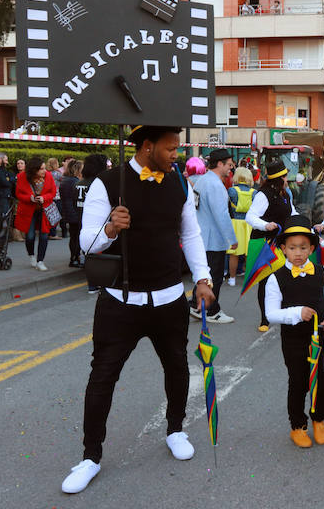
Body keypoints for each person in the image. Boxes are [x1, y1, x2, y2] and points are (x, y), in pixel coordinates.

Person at [61, 125, 216, 494]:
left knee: (177, 367)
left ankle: (175, 429)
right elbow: (87, 244)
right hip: (120, 302)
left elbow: (191, 234)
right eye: (170, 148)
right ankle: (90, 457)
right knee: (102, 377)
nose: (176, 154)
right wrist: (111, 228)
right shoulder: (107, 182)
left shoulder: (179, 182)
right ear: (147, 147)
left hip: (168, 300)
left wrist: (204, 278)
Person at [263, 215, 324, 449]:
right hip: (294, 339)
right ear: (283, 249)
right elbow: (271, 314)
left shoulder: (322, 272)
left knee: (323, 381)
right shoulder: (276, 279)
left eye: (303, 247)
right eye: (293, 248)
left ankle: (318, 418)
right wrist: (296, 313)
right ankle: (297, 425)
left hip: (321, 338)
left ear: (312, 248)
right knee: (298, 382)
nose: (298, 253)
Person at [246, 160, 299, 332]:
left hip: (282, 241)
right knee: (266, 281)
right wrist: (265, 225)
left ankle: (284, 312)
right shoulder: (264, 194)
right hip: (265, 244)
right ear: (278, 178)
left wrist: (305, 225)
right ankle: (265, 319)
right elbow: (250, 216)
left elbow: (292, 212)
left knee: (287, 277)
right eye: (285, 176)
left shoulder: (285, 193)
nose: (287, 178)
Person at [190, 149, 237, 323]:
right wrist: (232, 239)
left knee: (206, 275)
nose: (231, 168)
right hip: (213, 238)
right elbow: (222, 215)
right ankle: (211, 311)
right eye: (229, 164)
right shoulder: (216, 185)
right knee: (214, 277)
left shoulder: (202, 181)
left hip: (202, 234)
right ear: (220, 164)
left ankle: (197, 305)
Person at [15, 157, 56, 271]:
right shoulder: (22, 177)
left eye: (44, 168)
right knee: (30, 236)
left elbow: (52, 192)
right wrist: (30, 198)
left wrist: (44, 197)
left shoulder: (48, 176)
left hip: (44, 209)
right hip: (29, 209)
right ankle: (31, 255)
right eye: (41, 169)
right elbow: (18, 194)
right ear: (34, 170)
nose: (44, 171)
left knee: (44, 235)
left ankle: (40, 261)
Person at [76, 154, 109, 293]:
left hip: (79, 218)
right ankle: (98, 282)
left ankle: (92, 282)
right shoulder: (99, 184)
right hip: (96, 221)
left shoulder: (79, 184)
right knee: (99, 251)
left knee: (88, 251)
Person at [227, 166, 254, 287]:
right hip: (249, 224)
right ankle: (248, 278)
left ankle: (232, 279)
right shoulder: (254, 192)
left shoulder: (232, 191)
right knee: (249, 253)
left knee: (234, 252)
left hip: (235, 223)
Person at [58, 159, 84, 268]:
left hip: (68, 212)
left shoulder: (65, 180)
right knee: (77, 237)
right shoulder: (74, 182)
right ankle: (75, 258)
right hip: (75, 212)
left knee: (73, 236)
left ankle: (74, 258)